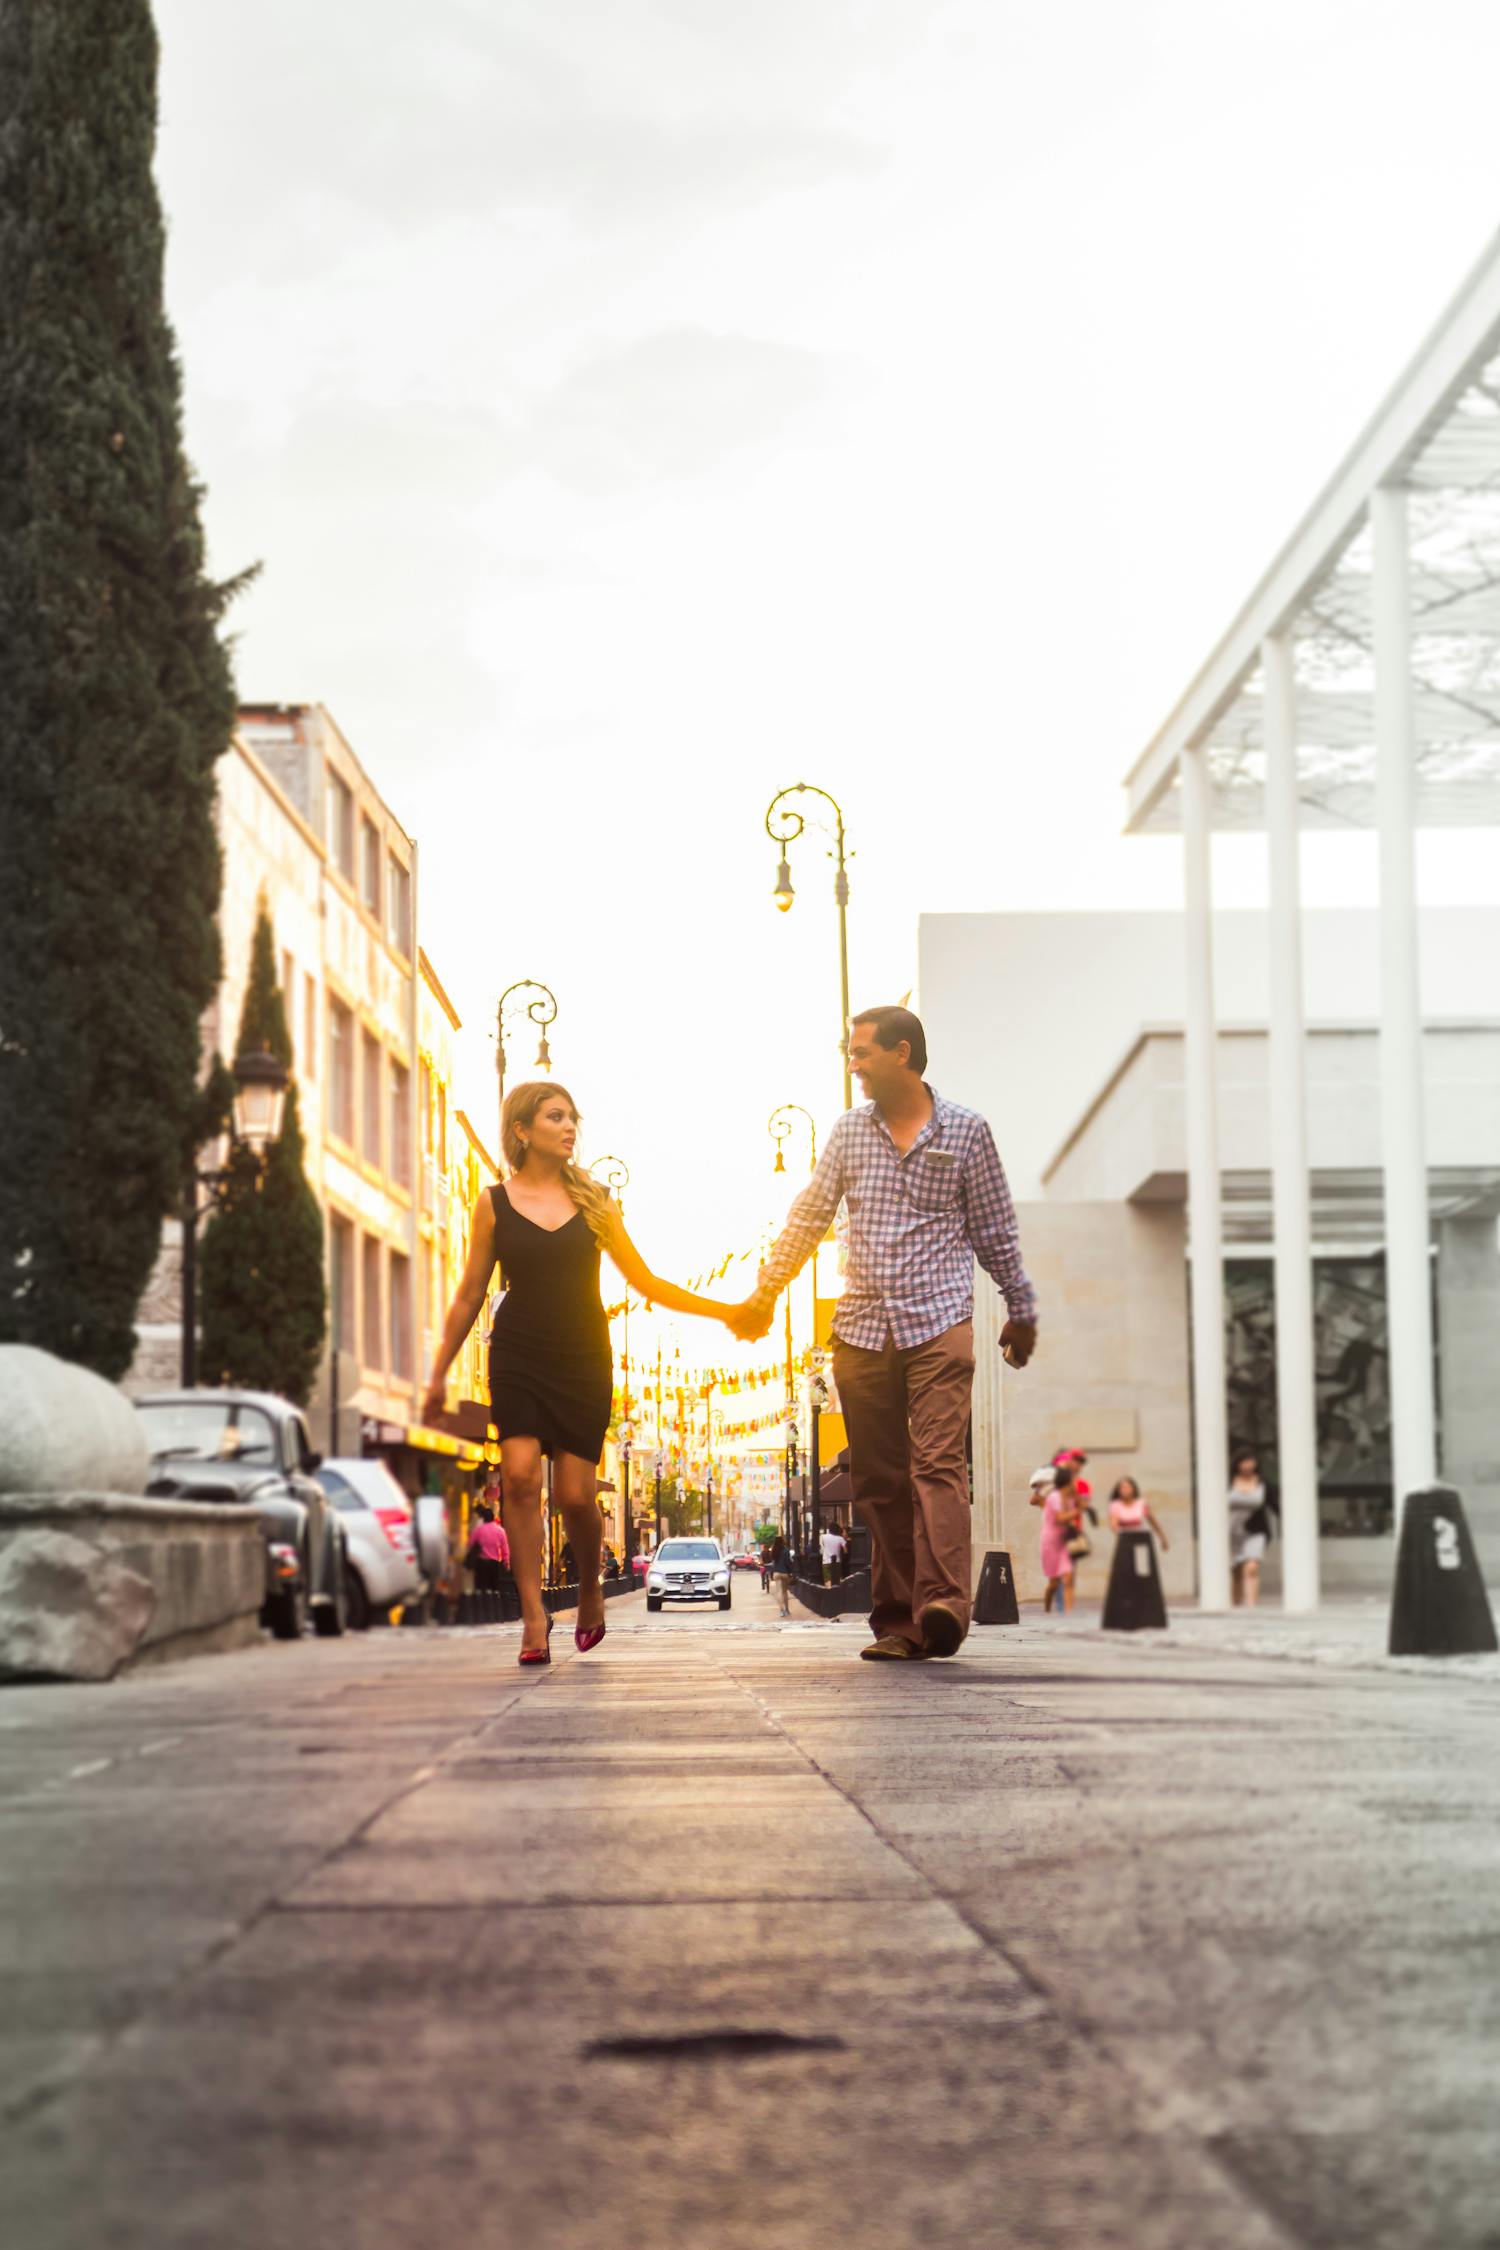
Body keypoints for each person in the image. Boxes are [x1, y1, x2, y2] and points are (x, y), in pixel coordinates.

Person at [730, 1006, 1037, 1663]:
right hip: (863, 1328)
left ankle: (945, 1606)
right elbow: (809, 1214)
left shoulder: (966, 1132)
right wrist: (764, 1295)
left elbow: (995, 1229)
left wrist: (1022, 1306)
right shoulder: (848, 1133)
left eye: (862, 1051)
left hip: (940, 1324)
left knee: (937, 1465)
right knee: (880, 1482)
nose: (853, 1062)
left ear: (902, 1053)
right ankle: (900, 1622)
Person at [422, 1080, 739, 1667]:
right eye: (555, 1116)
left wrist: (727, 1311)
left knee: (573, 1494)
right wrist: (438, 1372)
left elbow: (646, 1283)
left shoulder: (595, 1199)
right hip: (517, 1350)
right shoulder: (492, 1202)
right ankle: (533, 1616)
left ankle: (590, 1587)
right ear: (522, 1130)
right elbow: (469, 1293)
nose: (570, 1127)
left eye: (573, 1118)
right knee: (518, 1477)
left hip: (583, 1355)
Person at [1033, 1461, 1084, 1614]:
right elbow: (1061, 1518)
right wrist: (1078, 1510)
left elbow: (1078, 1509)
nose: (1076, 1481)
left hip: (1063, 1543)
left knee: (1068, 1577)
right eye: (1073, 1479)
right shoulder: (1053, 1497)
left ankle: (1069, 1615)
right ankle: (1047, 1608)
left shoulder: (1069, 1499)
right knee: (1053, 1584)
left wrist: (1076, 1496)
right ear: (1066, 1481)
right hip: (1050, 1543)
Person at [1228, 1449, 1271, 1607]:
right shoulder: (1227, 1481)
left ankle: (1251, 1606)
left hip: (1255, 1530)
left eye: (1251, 1461)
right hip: (1231, 1532)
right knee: (1236, 1571)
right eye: (1244, 1461)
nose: (1248, 1465)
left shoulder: (1262, 1482)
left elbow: (1275, 1504)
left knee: (1251, 1568)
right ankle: (1235, 1604)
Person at [1107, 1475, 1170, 1553]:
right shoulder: (1115, 1505)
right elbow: (1114, 1525)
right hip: (1124, 1542)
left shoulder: (1141, 1503)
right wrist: (1123, 1536)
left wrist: (1162, 1537)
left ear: (1133, 1489)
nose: (1123, 1490)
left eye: (1125, 1487)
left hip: (1139, 1542)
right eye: (1121, 1488)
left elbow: (1153, 1522)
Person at [768, 1532, 792, 1618]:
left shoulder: (773, 1550)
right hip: (784, 1573)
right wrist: (790, 1572)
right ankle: (787, 1609)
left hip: (776, 1573)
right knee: (785, 1592)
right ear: (782, 1541)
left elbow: (772, 1562)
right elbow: (788, 1562)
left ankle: (781, 1611)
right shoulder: (786, 1550)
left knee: (779, 1592)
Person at [819, 1521, 843, 1585]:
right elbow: (845, 1550)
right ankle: (836, 1592)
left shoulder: (824, 1537)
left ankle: (829, 1591)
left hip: (826, 1561)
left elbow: (824, 1545)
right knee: (837, 1579)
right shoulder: (840, 1538)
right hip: (837, 1561)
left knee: (828, 1580)